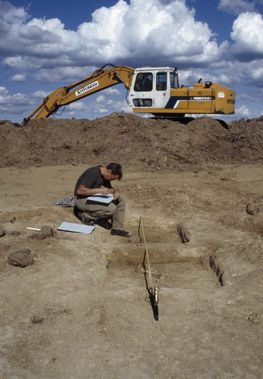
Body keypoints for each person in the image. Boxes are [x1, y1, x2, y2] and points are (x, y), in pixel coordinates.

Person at [74, 163, 130, 237]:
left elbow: (109, 188)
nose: (111, 180)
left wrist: (114, 192)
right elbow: (79, 191)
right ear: (109, 171)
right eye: (112, 178)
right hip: (82, 199)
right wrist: (99, 190)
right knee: (112, 209)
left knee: (120, 199)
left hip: (94, 197)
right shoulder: (92, 173)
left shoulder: (105, 175)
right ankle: (86, 216)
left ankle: (117, 229)